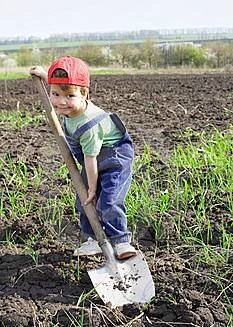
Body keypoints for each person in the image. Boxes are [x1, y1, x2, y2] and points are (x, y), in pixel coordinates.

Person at [30, 56, 137, 260]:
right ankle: (92, 240)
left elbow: (90, 159)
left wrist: (92, 189)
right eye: (55, 94)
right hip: (93, 159)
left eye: (69, 95)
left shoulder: (89, 123)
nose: (61, 101)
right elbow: (60, 87)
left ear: (84, 93)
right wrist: (45, 76)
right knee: (83, 202)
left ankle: (121, 240)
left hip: (114, 159)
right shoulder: (70, 105)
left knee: (108, 201)